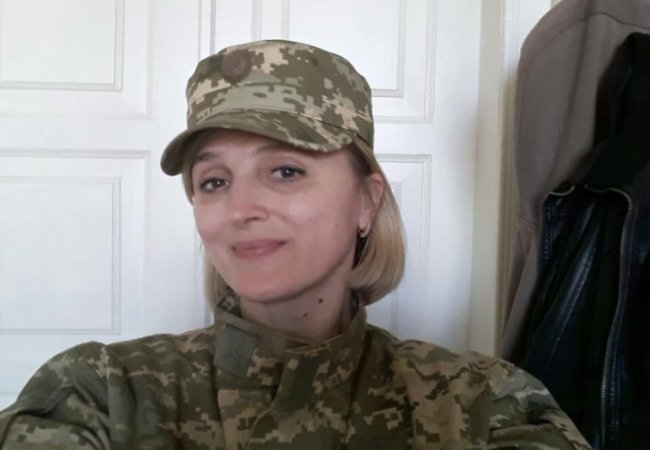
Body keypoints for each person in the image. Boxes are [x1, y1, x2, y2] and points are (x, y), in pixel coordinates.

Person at [0, 40, 590, 449]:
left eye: (286, 171)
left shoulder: (485, 406)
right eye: (214, 181)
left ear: (366, 202)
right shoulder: (99, 394)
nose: (240, 209)